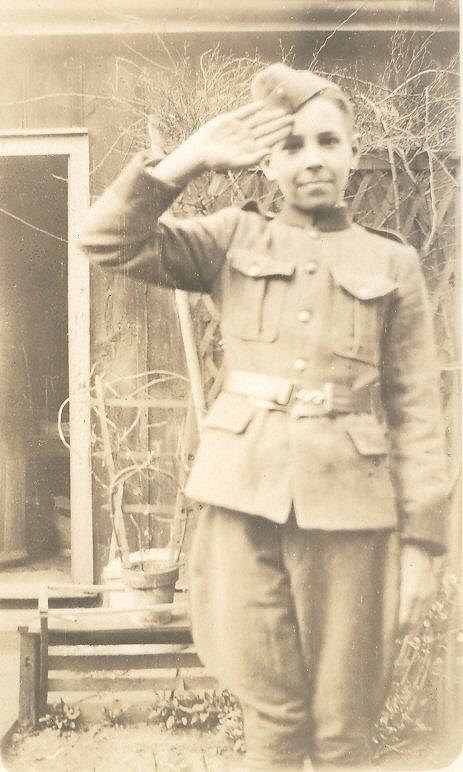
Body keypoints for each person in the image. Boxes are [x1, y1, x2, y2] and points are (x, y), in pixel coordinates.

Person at [79, 63, 448, 770]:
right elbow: (105, 242)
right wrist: (188, 159)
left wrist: (423, 547)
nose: (311, 159)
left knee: (343, 730)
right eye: (291, 145)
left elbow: (416, 411)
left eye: (327, 142)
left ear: (352, 152)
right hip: (242, 505)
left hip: (352, 514)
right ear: (267, 164)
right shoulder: (231, 239)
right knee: (271, 723)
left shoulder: (391, 262)